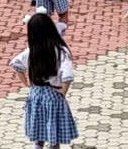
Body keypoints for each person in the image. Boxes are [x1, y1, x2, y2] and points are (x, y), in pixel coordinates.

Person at [9, 12, 78, 149]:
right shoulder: (60, 50)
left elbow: (15, 64)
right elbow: (67, 75)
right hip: (53, 95)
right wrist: (63, 90)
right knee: (54, 135)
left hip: (35, 95)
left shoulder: (31, 50)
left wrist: (27, 84)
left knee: (38, 134)